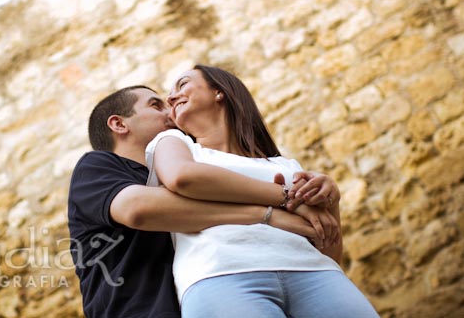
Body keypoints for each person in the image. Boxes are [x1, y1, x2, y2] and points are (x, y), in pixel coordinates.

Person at [67, 84, 334, 318]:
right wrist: (267, 213)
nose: (169, 110)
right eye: (155, 105)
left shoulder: (199, 164)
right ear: (119, 124)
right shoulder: (97, 166)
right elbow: (137, 209)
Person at [147, 64, 378, 317]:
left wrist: (330, 199)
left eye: (182, 85)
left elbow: (329, 249)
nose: (170, 98)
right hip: (221, 275)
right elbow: (183, 177)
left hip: (316, 272)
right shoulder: (175, 143)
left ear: (219, 91)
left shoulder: (286, 165)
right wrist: (284, 197)